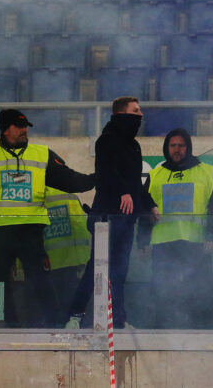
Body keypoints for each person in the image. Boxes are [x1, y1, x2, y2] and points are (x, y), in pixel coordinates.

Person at [0, 109, 94, 327]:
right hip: (1, 231)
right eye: (19, 126)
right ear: (5, 130)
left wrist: (96, 178)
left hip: (31, 232)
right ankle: (2, 327)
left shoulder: (42, 154)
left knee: (41, 281)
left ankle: (55, 325)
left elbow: (70, 180)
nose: (25, 130)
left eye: (26, 126)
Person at [66, 96, 157, 330]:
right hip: (106, 218)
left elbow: (135, 182)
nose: (140, 115)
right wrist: (122, 192)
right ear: (121, 114)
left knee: (120, 271)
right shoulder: (106, 140)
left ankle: (118, 320)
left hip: (126, 220)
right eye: (135, 111)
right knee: (96, 268)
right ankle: (75, 316)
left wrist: (149, 204)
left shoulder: (134, 146)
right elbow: (105, 173)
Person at [137, 128, 213, 329]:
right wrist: (142, 241)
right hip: (163, 244)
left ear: (189, 147)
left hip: (196, 243)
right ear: (166, 148)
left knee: (199, 291)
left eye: (181, 145)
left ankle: (200, 330)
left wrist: (212, 237)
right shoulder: (155, 175)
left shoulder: (206, 172)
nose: (177, 149)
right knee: (162, 291)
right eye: (173, 145)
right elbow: (144, 209)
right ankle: (163, 330)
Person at [43, 188, 91, 326]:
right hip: (71, 259)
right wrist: (82, 257)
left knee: (51, 304)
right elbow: (80, 226)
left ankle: (56, 327)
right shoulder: (70, 193)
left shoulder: (40, 193)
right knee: (71, 300)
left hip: (49, 260)